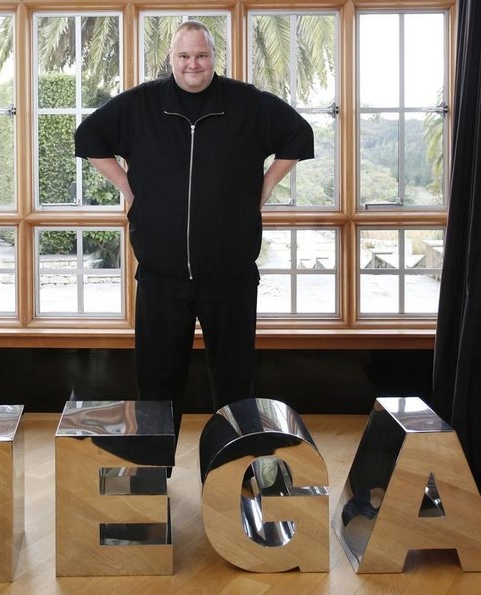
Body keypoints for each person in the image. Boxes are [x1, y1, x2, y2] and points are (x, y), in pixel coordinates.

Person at [75, 20, 314, 439]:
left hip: (231, 277)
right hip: (161, 278)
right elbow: (88, 135)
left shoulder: (247, 103)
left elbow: (299, 133)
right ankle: (154, 478)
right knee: (157, 384)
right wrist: (128, 188)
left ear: (212, 58)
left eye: (201, 55)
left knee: (235, 384)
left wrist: (267, 184)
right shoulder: (141, 105)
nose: (193, 64)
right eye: (184, 56)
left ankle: (234, 473)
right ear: (172, 59)